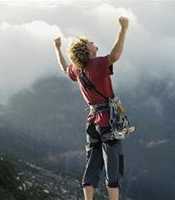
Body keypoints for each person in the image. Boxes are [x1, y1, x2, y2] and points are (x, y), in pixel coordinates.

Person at [53, 16, 129, 200]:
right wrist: (123, 29)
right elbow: (115, 56)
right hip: (107, 120)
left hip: (92, 121)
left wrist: (57, 48)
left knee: (92, 161)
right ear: (87, 51)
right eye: (91, 43)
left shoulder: (78, 70)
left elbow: (64, 68)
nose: (94, 44)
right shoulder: (96, 64)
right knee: (112, 162)